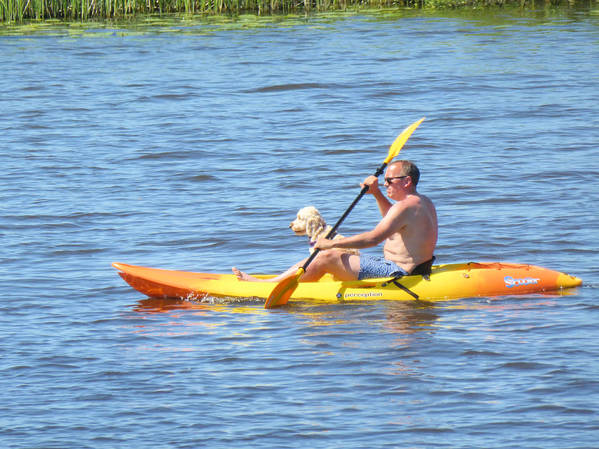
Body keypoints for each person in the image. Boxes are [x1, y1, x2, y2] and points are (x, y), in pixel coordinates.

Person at [232, 160, 438, 282]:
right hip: (406, 267)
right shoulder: (420, 202)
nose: (385, 184)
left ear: (407, 181)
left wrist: (331, 242)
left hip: (398, 272)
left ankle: (268, 286)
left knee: (327, 256)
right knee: (337, 253)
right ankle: (278, 279)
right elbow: (393, 222)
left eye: (389, 181)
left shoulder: (405, 206)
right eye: (384, 181)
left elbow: (373, 239)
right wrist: (375, 193)